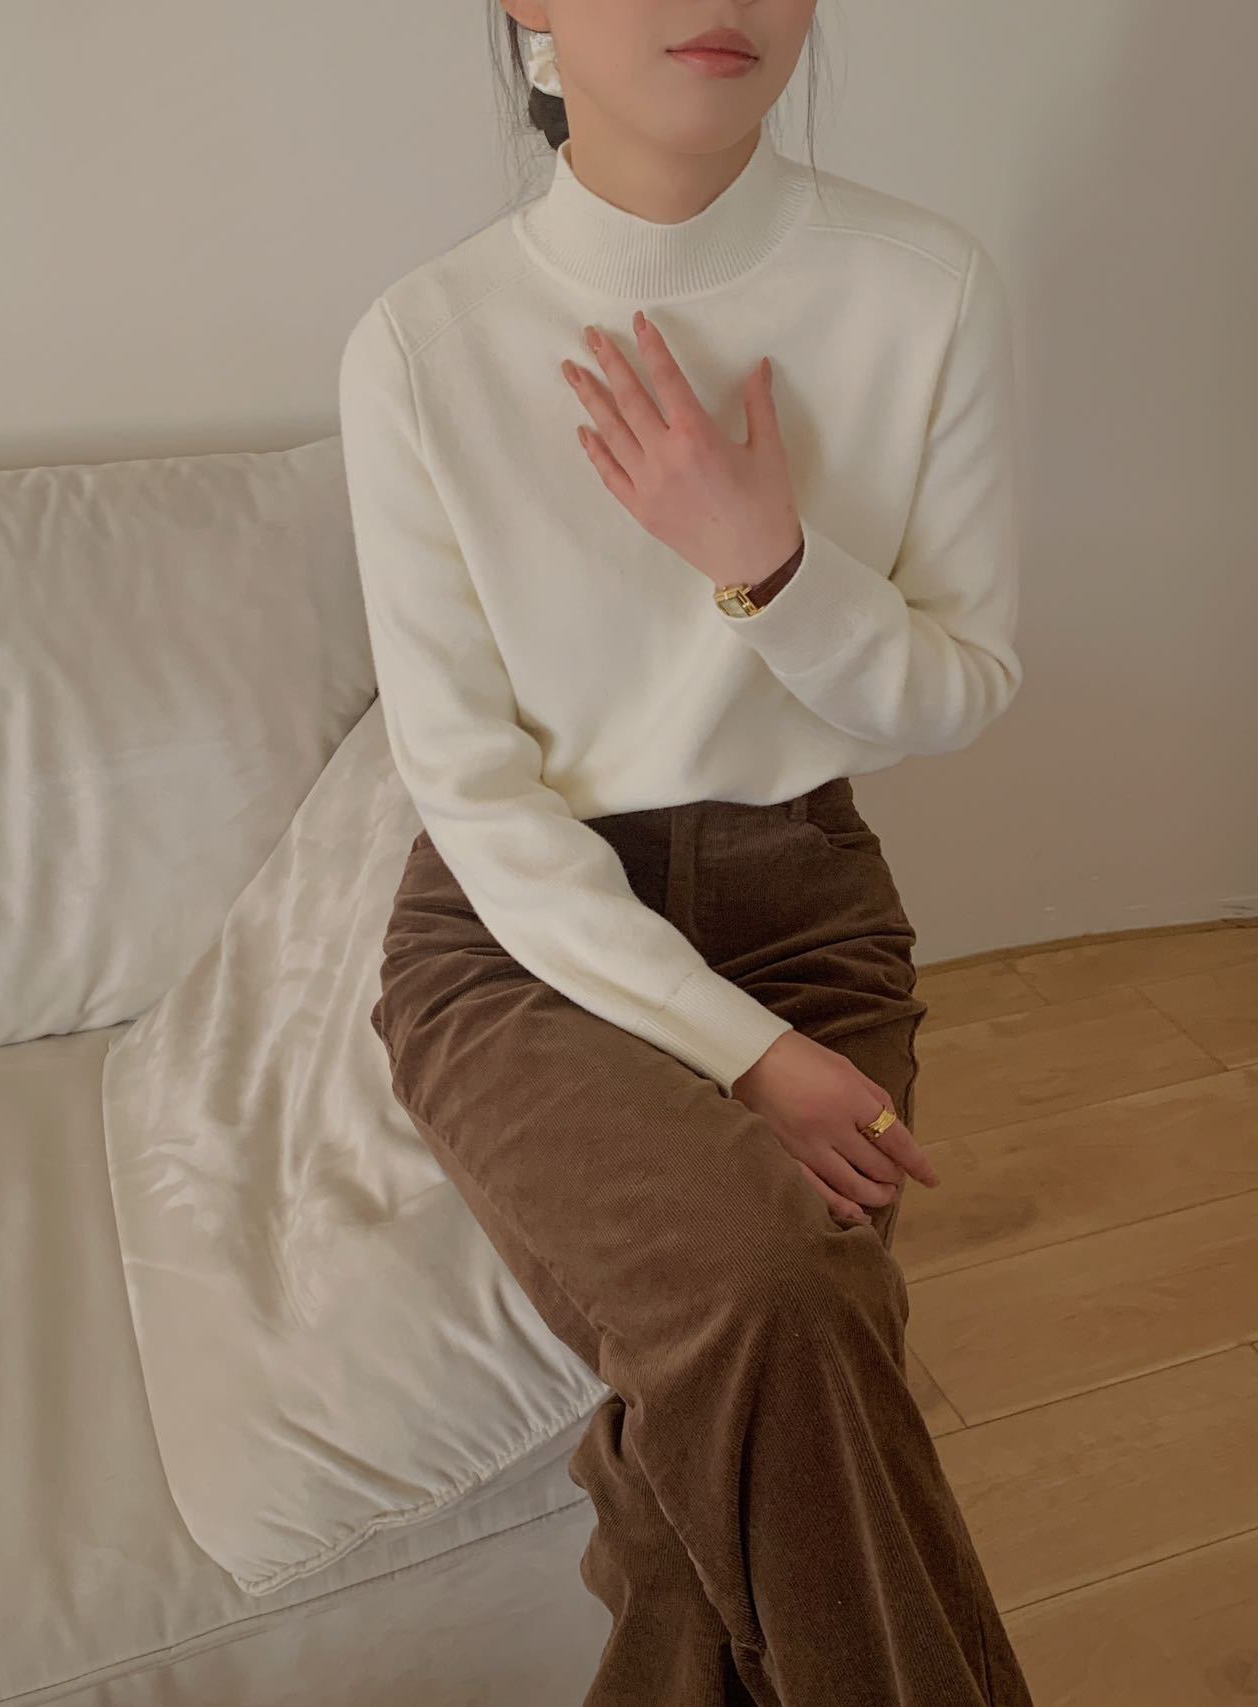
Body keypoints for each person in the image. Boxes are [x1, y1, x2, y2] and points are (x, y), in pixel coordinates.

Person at [338, 3, 1034, 1702]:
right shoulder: (421, 344)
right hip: (514, 936)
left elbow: (964, 688)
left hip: (808, 907)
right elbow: (471, 789)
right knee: (781, 1292)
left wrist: (770, 565)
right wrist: (748, 1056)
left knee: (733, 1414)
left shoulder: (923, 288)